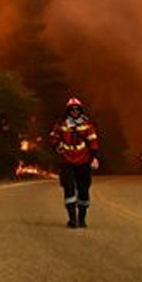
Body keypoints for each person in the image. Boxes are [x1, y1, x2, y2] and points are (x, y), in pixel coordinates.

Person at [49, 96, 101, 228]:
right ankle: (72, 219)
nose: (75, 111)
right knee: (69, 189)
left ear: (81, 110)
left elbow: (93, 142)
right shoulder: (61, 124)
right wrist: (57, 146)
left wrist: (93, 157)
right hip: (67, 161)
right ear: (68, 111)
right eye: (72, 109)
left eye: (77, 109)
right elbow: (53, 138)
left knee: (84, 190)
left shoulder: (87, 125)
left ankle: (82, 219)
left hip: (83, 161)